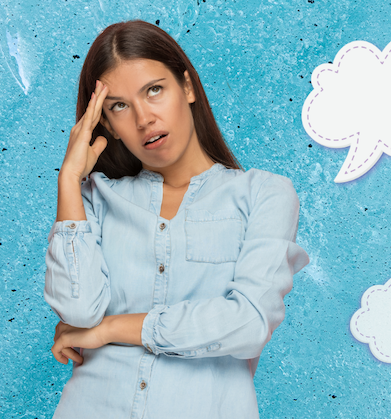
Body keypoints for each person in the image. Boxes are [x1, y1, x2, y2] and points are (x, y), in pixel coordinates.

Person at [44, 20, 309, 418]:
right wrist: (68, 178)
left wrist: (110, 330)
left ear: (186, 87)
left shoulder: (264, 194)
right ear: (107, 126)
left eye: (154, 90)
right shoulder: (95, 199)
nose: (143, 118)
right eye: (119, 106)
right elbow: (78, 312)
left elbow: (248, 323)